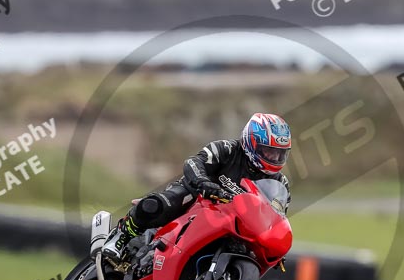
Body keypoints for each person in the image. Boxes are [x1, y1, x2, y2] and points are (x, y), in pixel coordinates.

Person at [103, 112, 292, 261]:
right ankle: (121, 235)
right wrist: (204, 183)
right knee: (157, 204)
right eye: (269, 151)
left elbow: (277, 218)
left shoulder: (280, 183)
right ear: (252, 142)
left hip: (234, 223)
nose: (274, 158)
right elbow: (194, 163)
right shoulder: (227, 149)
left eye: (279, 153)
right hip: (198, 199)